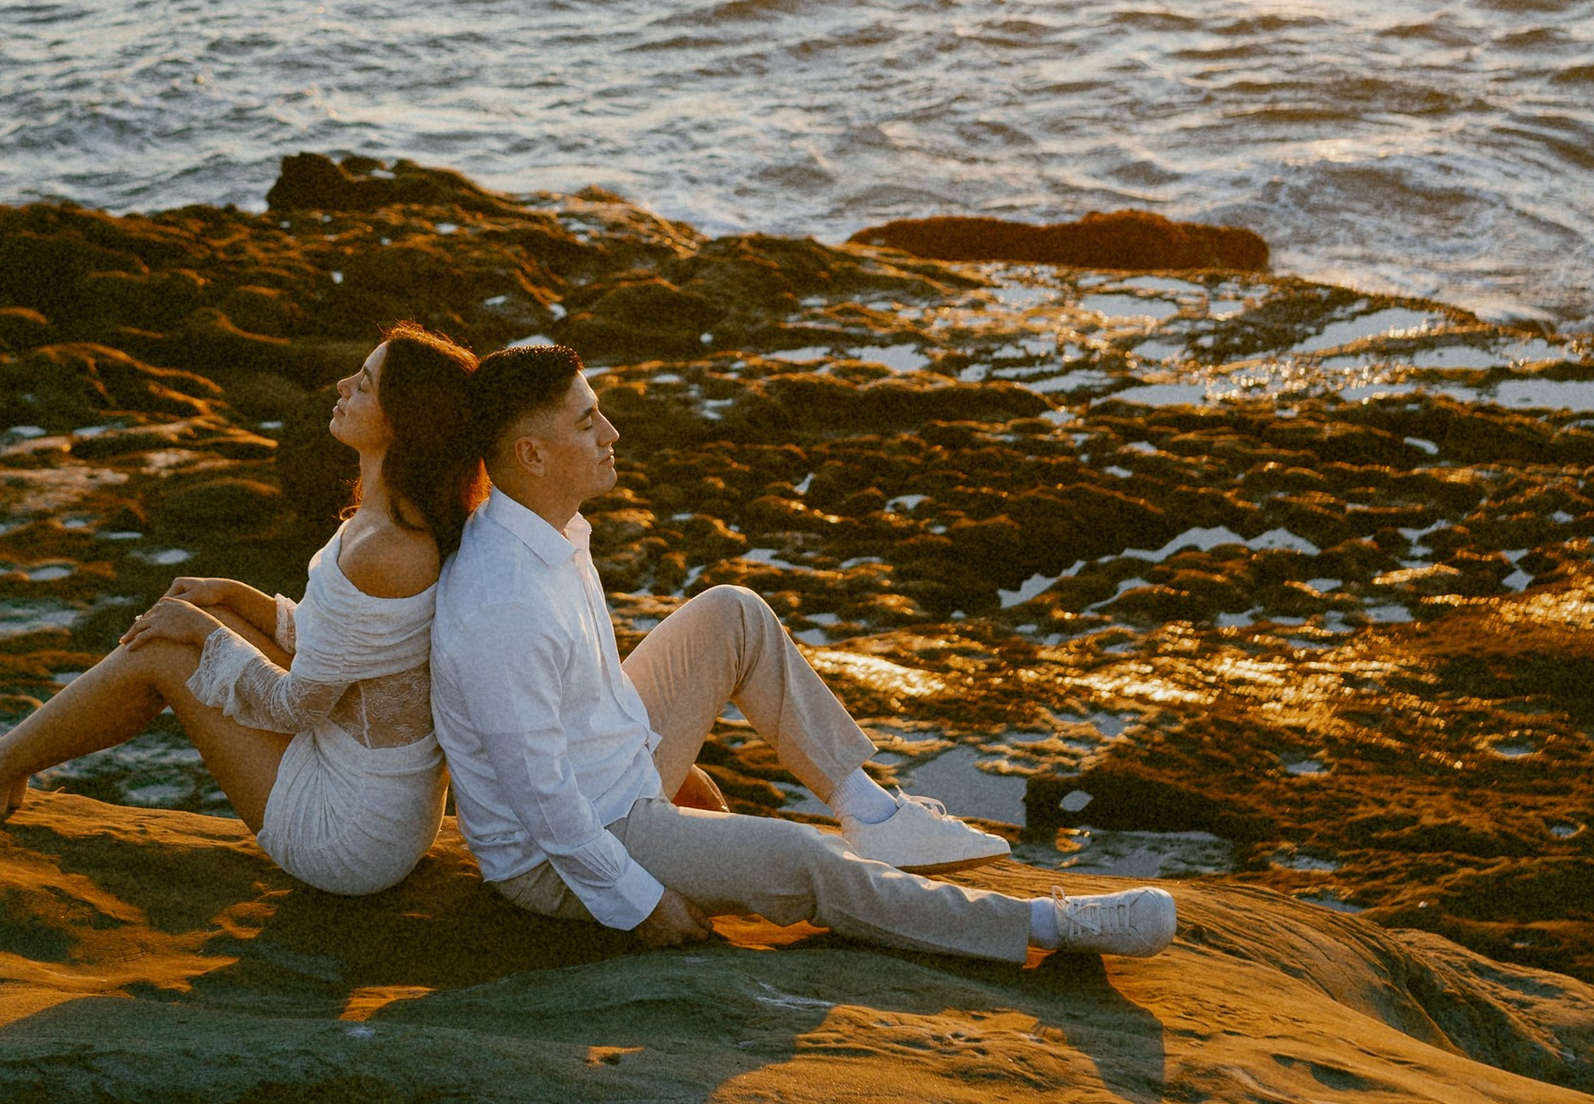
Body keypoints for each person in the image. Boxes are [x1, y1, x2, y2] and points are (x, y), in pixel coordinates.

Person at [431, 341, 1176, 966]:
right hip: (570, 848)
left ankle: (874, 812)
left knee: (732, 612)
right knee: (802, 859)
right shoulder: (504, 601)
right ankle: (1043, 925)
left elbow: (579, 710)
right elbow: (546, 807)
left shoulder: (547, 528)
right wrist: (641, 901)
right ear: (531, 453)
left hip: (617, 778)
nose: (612, 433)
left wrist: (663, 769)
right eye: (587, 420)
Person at [0, 325, 477, 895]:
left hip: (351, 834)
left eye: (366, 384)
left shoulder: (388, 547)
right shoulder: (387, 523)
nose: (342, 384)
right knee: (188, 627)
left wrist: (199, 629)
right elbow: (337, 647)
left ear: (406, 422)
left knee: (165, 653)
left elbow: (297, 706)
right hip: (364, 779)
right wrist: (230, 595)